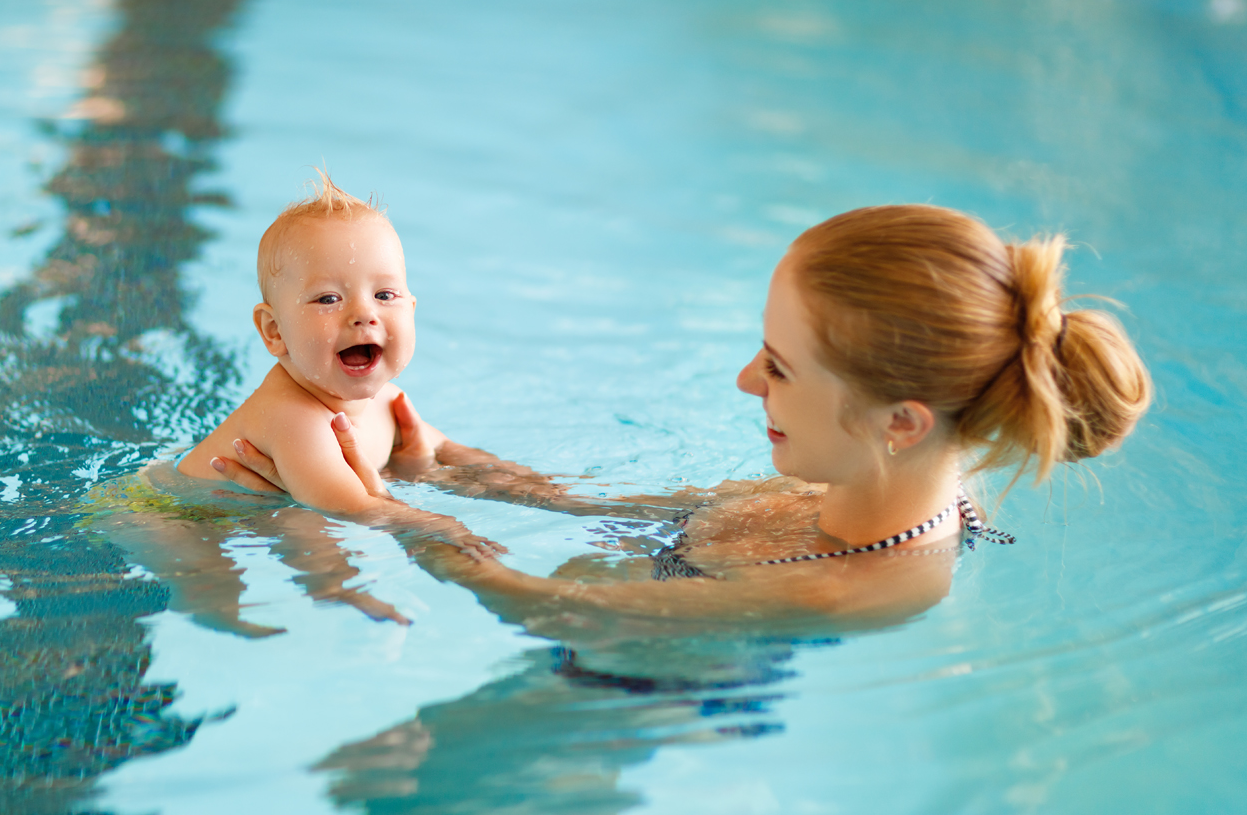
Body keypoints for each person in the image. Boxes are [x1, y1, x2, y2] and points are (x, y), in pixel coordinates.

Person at [216, 204, 1152, 630]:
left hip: (640, 692)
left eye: (779, 367)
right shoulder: (868, 480)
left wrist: (419, 533)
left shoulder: (851, 585)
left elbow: (552, 609)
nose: (747, 381)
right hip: (668, 591)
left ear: (900, 422)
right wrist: (445, 466)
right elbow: (614, 508)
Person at [177, 173, 504, 555]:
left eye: (384, 294)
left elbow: (454, 456)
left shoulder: (387, 401)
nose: (364, 313)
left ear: (412, 309)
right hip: (175, 521)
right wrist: (443, 526)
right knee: (218, 594)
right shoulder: (292, 417)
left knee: (307, 534)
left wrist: (559, 496)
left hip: (246, 517)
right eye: (328, 299)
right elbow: (353, 508)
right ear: (274, 330)